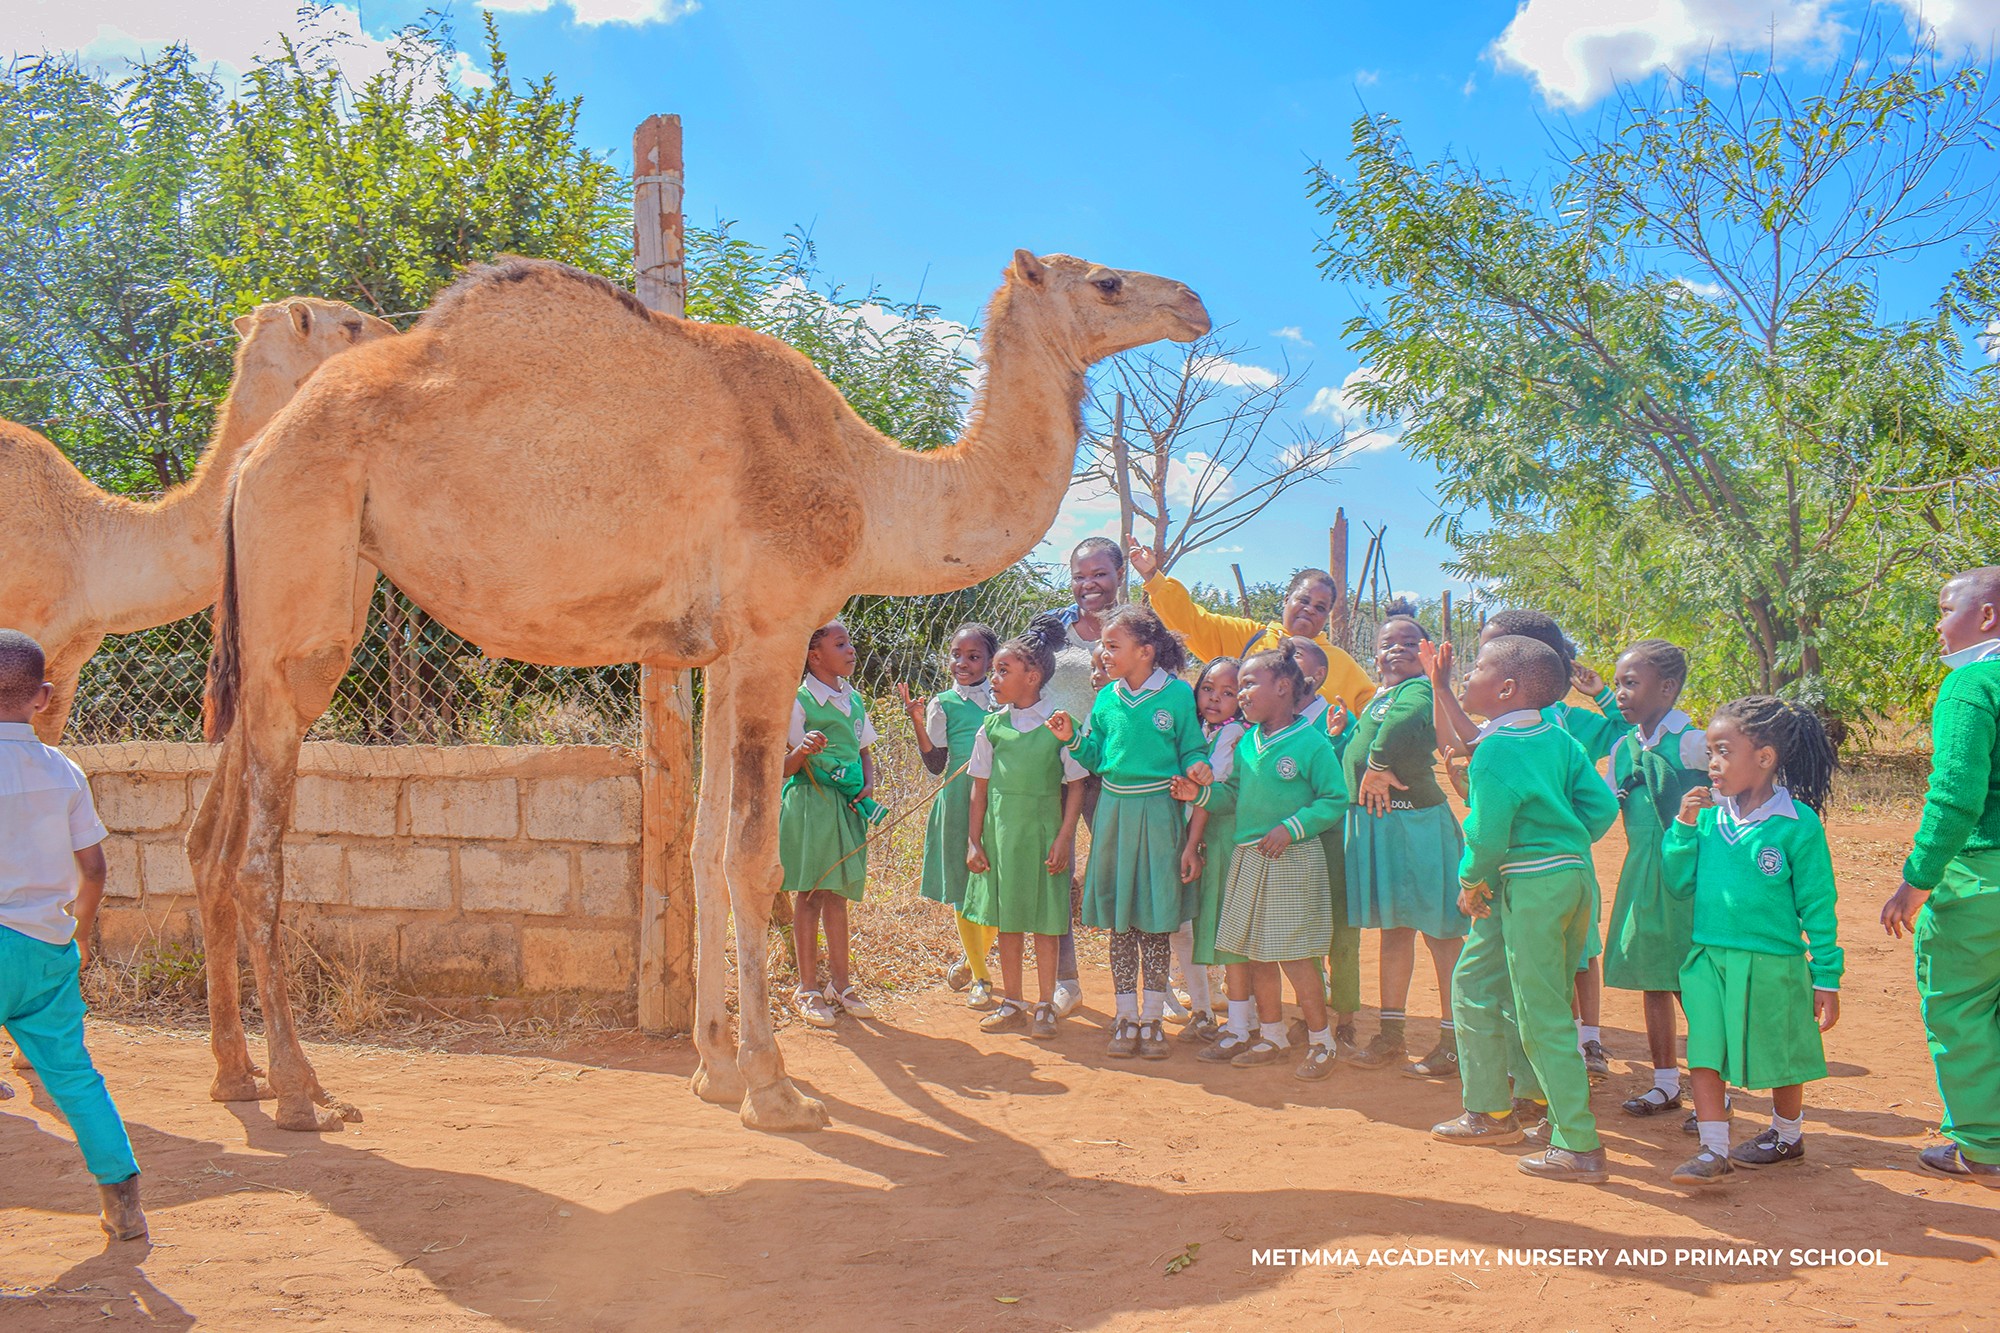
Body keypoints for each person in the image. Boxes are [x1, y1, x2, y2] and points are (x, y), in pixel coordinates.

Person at [1429, 635, 1619, 1185]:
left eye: (1480, 667)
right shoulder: (1557, 740)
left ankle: (1578, 1144)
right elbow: (1601, 807)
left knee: (1542, 1013)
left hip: (1522, 885)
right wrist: (1560, 847)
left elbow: (1485, 838)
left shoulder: (1494, 751)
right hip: (1564, 880)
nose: (1468, 673)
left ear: (1506, 688)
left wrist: (1470, 882)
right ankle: (1493, 1109)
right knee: (1475, 982)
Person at [0, 630, 145, 1241]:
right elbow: (95, 870)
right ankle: (124, 1204)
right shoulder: (64, 771)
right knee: (75, 1078)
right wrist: (77, 938)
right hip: (44, 948)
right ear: (43, 697)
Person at [1662, 696, 1842, 1185]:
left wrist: (1826, 975)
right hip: (1708, 957)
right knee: (1704, 1051)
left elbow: (1818, 907)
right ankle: (1712, 1149)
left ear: (1763, 758)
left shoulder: (1797, 824)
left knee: (1781, 1053)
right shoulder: (1705, 819)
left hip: (1775, 962)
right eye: (1710, 753)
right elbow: (1677, 883)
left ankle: (1787, 1135)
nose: (1712, 763)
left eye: (1723, 751)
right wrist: (1679, 829)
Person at [1048, 604, 1211, 1059]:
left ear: (1145, 651)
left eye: (1112, 645)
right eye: (1102, 644)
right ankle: (1125, 1017)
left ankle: (1153, 1019)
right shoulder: (1106, 698)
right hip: (1115, 814)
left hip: (1160, 812)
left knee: (1156, 919)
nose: (1102, 652)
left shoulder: (1177, 695)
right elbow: (1097, 756)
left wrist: (1196, 766)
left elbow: (1192, 746)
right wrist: (1072, 738)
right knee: (1122, 920)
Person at [1882, 567, 2000, 1188]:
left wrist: (1916, 881)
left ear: (1986, 617)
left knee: (1961, 1008)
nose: (1936, 624)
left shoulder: (1971, 686)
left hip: (1982, 878)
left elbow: (1955, 797)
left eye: (1945, 608)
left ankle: (1983, 1146)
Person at [1181, 644, 1349, 1080]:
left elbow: (1335, 798)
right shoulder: (1249, 742)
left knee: (1295, 958)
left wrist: (1292, 826)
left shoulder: (1311, 743)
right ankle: (1271, 1036)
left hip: (1291, 859)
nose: (1242, 693)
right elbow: (1232, 794)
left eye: (1249, 684)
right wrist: (1198, 794)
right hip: (1248, 858)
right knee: (1255, 955)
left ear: (1283, 686)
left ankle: (1321, 1042)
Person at [1342, 612, 1468, 1079]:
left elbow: (1405, 724)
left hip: (1416, 826)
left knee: (1441, 934)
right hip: (1384, 825)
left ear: (1427, 652)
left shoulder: (1416, 692)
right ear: (1374, 656)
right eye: (1386, 643)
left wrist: (1375, 763)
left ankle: (1456, 1041)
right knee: (1395, 931)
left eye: (1408, 642)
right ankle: (1391, 1036)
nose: (1396, 649)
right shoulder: (1384, 695)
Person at [962, 621, 1089, 1040]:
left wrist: (1064, 837)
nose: (994, 680)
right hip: (1003, 835)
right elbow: (979, 790)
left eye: (1003, 671)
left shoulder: (1058, 724)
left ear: (1031, 677)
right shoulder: (991, 727)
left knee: (1047, 921)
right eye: (994, 671)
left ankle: (1045, 1006)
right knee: (1011, 919)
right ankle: (1013, 1002)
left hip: (1043, 833)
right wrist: (973, 841)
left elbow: (1075, 785)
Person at [1602, 639, 1711, 1120]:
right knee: (1653, 978)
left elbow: (1736, 790)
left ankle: (1715, 1088)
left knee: (1691, 983)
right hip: (1641, 870)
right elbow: (1604, 807)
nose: (1621, 693)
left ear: (1667, 688)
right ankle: (1666, 1083)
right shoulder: (1622, 748)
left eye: (1631, 683)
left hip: (1686, 874)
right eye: (1617, 684)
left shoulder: (1693, 743)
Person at [1037, 538, 1127, 1018]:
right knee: (1058, 871)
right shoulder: (1052, 628)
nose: (1089, 585)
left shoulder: (1136, 627)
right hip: (1061, 767)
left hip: (1117, 767)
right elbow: (1025, 682)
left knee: (1124, 872)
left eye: (1099, 575)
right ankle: (1065, 981)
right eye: (1079, 575)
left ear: (1119, 574)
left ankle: (1151, 983)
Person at [1126, 543, 1376, 714]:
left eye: (1321, 608)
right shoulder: (1247, 637)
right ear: (1286, 599)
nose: (1310, 609)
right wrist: (1153, 578)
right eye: (1304, 600)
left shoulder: (1341, 664)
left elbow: (1372, 711)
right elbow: (1192, 621)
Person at [780, 620, 879, 1028]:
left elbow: (864, 751)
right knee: (810, 894)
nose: (851, 649)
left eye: (850, 642)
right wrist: (803, 750)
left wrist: (869, 782)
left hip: (845, 805)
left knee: (837, 895)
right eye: (840, 643)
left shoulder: (852, 698)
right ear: (814, 655)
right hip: (811, 804)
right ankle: (807, 988)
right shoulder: (798, 701)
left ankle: (841, 984)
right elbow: (782, 768)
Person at [899, 623, 1000, 1008]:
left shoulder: (1003, 698)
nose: (963, 663)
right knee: (964, 886)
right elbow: (936, 763)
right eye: (957, 655)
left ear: (991, 660)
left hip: (999, 800)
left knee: (995, 888)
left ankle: (972, 956)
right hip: (959, 799)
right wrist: (917, 719)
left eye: (974, 657)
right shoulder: (944, 702)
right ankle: (981, 976)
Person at [1178, 658, 1245, 1047]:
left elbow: (1205, 794)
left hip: (1217, 839)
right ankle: (1203, 1010)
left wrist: (1191, 844)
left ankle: (1243, 1017)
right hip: (1195, 836)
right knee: (1188, 925)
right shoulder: (1199, 730)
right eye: (1208, 689)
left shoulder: (1233, 734)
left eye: (1228, 693)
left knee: (1222, 927)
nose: (1215, 699)